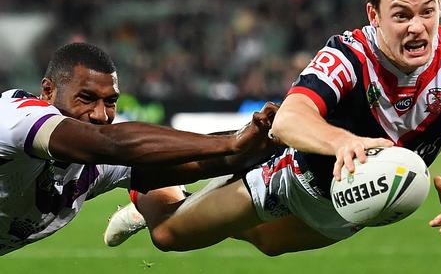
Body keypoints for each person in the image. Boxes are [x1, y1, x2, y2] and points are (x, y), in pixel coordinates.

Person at [107, 0, 441, 255]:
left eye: (428, 11)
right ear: (374, 15)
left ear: (440, 4)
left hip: (351, 204)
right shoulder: (347, 55)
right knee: (168, 235)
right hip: (290, 177)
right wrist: (341, 142)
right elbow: (289, 118)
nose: (417, 27)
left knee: (266, 243)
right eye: (401, 15)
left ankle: (197, 194)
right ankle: (151, 190)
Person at [0, 42, 277, 255]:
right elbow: (112, 144)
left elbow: (198, 163)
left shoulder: (99, 161)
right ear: (48, 91)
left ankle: (143, 207)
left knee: (174, 225)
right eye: (86, 98)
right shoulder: (16, 116)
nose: (100, 115)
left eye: (110, 102)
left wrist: (267, 139)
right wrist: (232, 141)